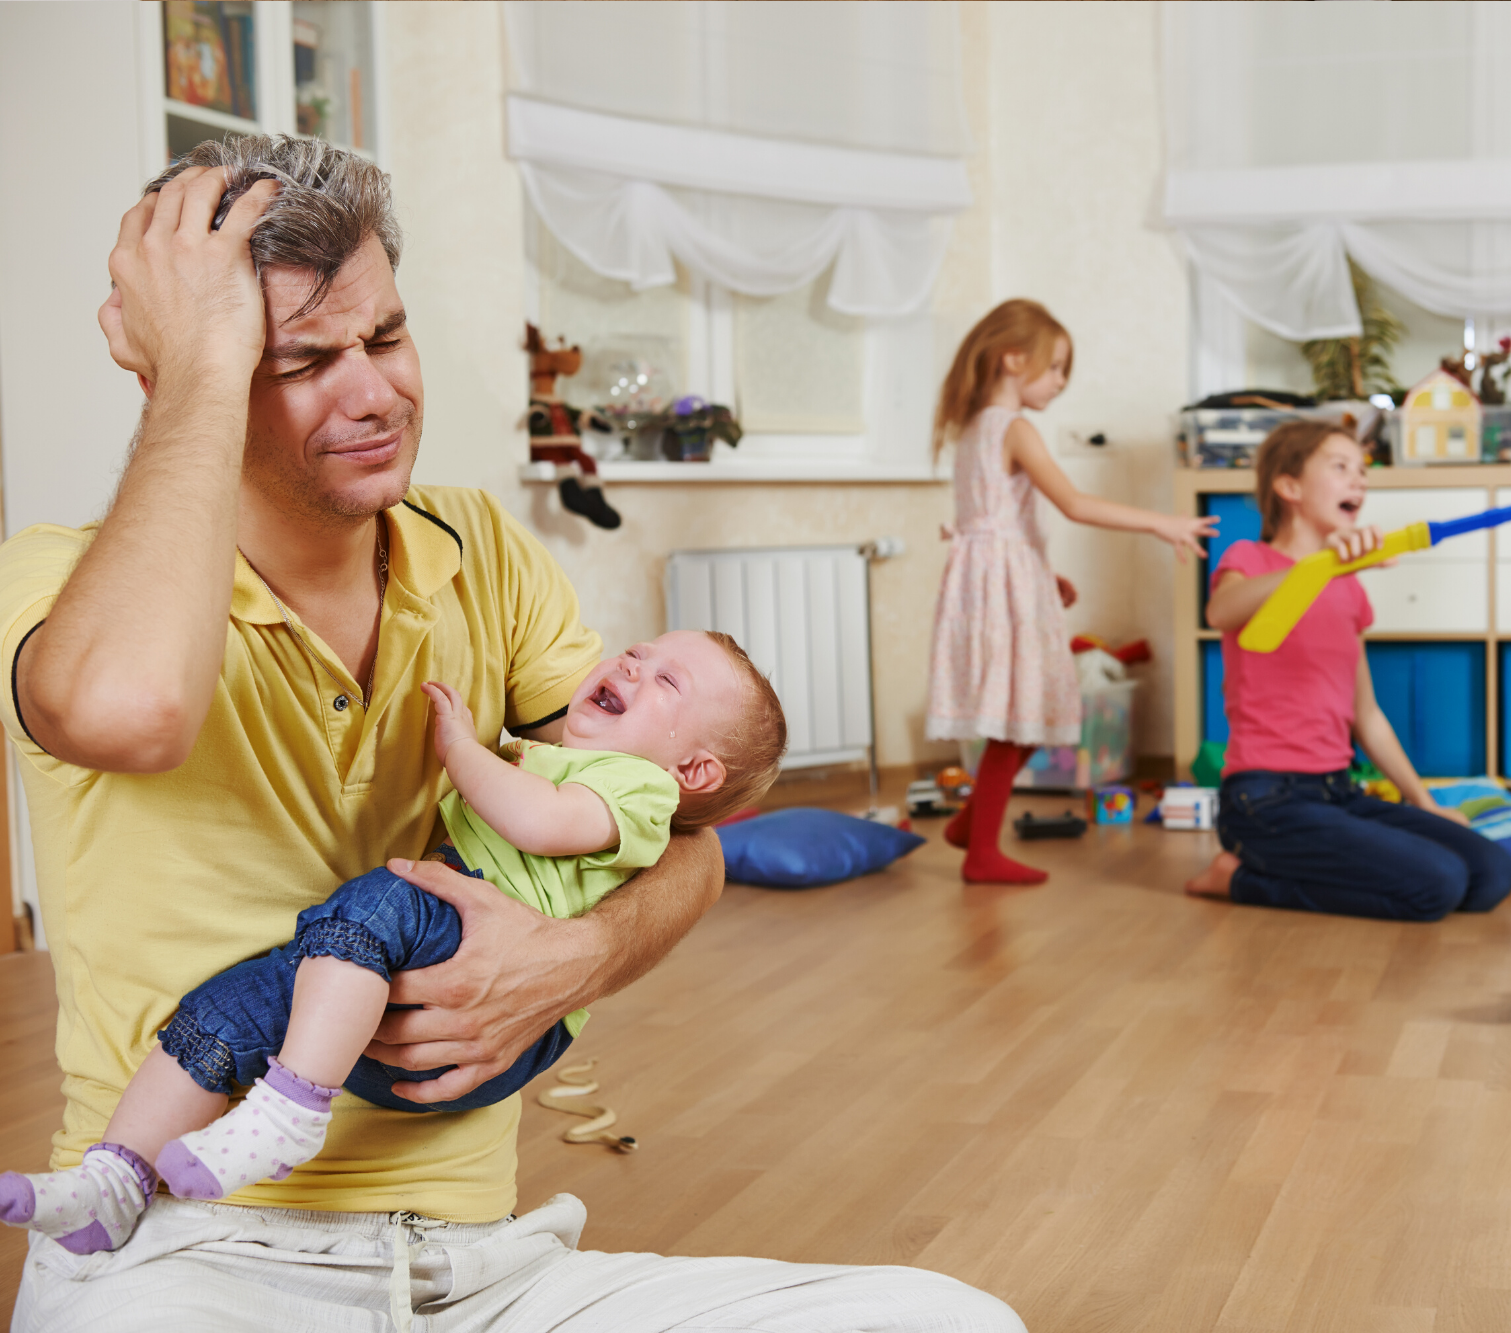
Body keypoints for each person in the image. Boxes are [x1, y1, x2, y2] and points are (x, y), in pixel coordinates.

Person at [3, 135, 1024, 1331]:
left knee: (952, 1321)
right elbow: (134, 711)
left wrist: (579, 957)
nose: (375, 391)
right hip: (181, 1257)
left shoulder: (476, 544)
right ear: (192, 371)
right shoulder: (65, 582)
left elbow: (672, 828)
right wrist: (198, 372)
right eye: (302, 359)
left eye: (384, 336)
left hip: (475, 1269)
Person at [0, 629, 785, 1253]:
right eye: (638, 651)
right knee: (231, 1006)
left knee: (384, 899)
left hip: (486, 1002)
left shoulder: (638, 789)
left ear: (694, 770)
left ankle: (290, 1109)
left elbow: (541, 822)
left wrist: (462, 749)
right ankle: (113, 1178)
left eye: (667, 681)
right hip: (406, 979)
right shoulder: (567, 757)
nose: (632, 663)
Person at [925, 299, 1216, 883]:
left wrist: (1039, 573)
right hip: (1003, 580)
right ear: (1013, 359)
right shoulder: (1013, 427)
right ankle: (982, 853)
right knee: (1021, 714)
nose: (1060, 382)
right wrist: (1161, 523)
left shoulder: (973, 429)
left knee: (1035, 707)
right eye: (1055, 367)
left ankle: (972, 825)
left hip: (994, 579)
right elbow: (1075, 504)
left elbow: (993, 521)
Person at [1183, 420, 1511, 919]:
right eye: (1340, 468)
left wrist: (1422, 801)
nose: (1358, 481)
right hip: (1265, 801)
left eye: (1362, 471)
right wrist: (1316, 567)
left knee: (1490, 873)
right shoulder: (1250, 559)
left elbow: (1368, 715)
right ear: (1289, 486)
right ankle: (1239, 879)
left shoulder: (1349, 591)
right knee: (1437, 886)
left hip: (1338, 789)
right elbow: (1221, 612)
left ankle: (1300, 862)